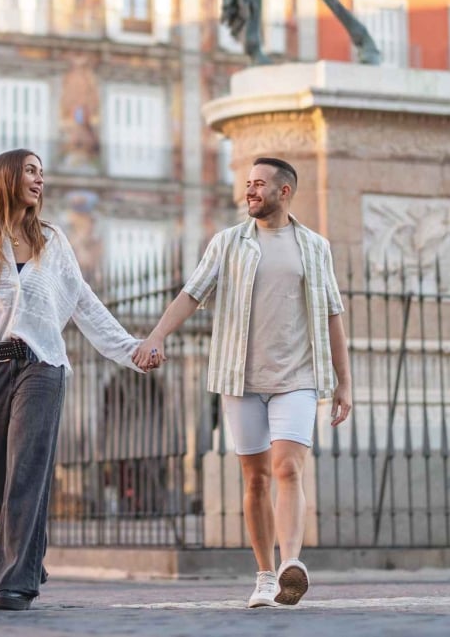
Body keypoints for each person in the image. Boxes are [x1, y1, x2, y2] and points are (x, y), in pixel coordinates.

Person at [0, 148, 158, 611]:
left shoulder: (53, 240)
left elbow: (84, 304)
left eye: (42, 173)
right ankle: (28, 555)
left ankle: (14, 583)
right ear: (6, 177)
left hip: (42, 365)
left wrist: (131, 351)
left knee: (28, 467)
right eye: (30, 171)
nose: (39, 179)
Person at [134, 157, 353, 609]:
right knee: (254, 479)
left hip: (297, 378)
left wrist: (343, 383)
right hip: (240, 378)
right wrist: (157, 334)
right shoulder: (228, 243)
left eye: (258, 184)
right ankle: (265, 575)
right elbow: (192, 294)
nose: (249, 192)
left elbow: (333, 316)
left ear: (284, 191)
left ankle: (292, 564)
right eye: (247, 184)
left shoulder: (315, 246)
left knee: (288, 468)